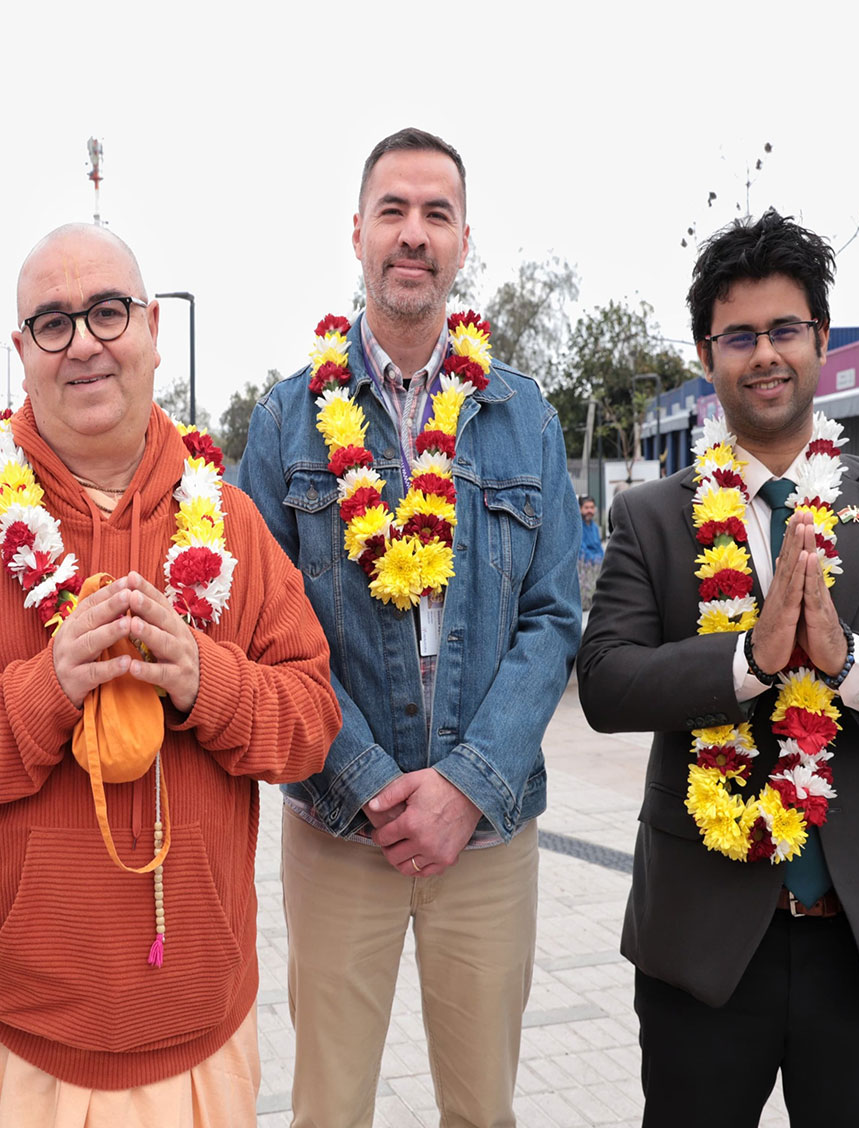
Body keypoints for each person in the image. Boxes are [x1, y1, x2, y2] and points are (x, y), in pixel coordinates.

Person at [0, 222, 341, 1125]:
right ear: (21, 352)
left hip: (197, 1025)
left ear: (153, 329)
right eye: (52, 322)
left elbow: (312, 720)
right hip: (6, 1029)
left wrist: (208, 681)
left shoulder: (230, 525)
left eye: (107, 313)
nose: (83, 342)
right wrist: (46, 689)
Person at [578, 209, 859, 1128]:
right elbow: (607, 682)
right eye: (740, 335)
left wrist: (847, 661)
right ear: (708, 353)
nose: (764, 354)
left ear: (818, 338)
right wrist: (747, 659)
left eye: (784, 330)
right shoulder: (653, 518)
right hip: (703, 943)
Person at [240, 127, 581, 1128]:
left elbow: (555, 618)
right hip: (341, 831)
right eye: (393, 210)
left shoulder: (524, 418)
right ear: (356, 232)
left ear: (463, 239)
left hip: (487, 836)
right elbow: (263, 629)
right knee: (329, 1107)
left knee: (483, 1111)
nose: (413, 234)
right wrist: (372, 782)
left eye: (435, 214)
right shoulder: (284, 422)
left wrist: (467, 787)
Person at [578, 495, 604, 611]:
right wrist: (598, 561)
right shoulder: (577, 526)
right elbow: (581, 551)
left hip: (596, 567)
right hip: (584, 569)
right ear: (580, 509)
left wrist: (604, 561)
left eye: (592, 507)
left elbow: (599, 548)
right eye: (586, 507)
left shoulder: (594, 527)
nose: (590, 510)